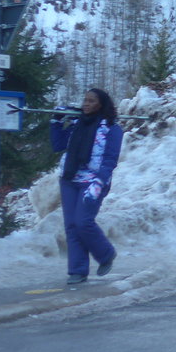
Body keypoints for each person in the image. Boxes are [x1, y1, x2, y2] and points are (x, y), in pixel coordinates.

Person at [50, 88, 123, 286]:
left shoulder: (111, 129)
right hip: (70, 178)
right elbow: (58, 145)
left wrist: (99, 182)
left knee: (83, 222)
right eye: (85, 100)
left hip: (93, 181)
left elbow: (110, 160)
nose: (86, 104)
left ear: (101, 104)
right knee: (71, 226)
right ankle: (77, 271)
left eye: (91, 101)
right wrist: (57, 122)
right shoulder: (76, 124)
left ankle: (106, 253)